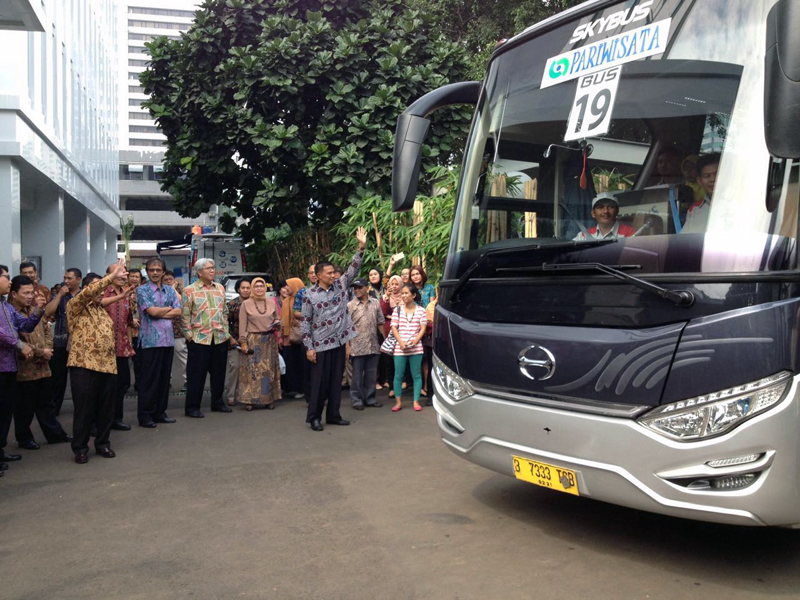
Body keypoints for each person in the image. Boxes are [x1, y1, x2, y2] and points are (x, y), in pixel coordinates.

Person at [301, 226, 368, 431]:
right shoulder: (309, 295)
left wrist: (361, 247)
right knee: (319, 383)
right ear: (319, 275)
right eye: (329, 273)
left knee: (335, 382)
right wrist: (309, 347)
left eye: (333, 272)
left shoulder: (340, 286)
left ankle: (334, 415)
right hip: (320, 345)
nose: (333, 275)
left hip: (339, 342)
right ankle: (314, 417)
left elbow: (352, 269)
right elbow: (305, 322)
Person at [67, 260, 128, 464]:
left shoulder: (101, 310)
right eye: (99, 286)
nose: (103, 290)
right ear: (87, 288)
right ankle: (80, 448)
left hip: (107, 366)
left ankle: (103, 443)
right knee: (84, 409)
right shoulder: (75, 306)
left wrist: (121, 295)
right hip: (83, 365)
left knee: (105, 409)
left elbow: (104, 300)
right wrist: (112, 275)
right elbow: (89, 294)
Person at [0, 272, 60, 472]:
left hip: (9, 367)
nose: (8, 281)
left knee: (5, 412)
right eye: (5, 277)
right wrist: (19, 345)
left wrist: (38, 310)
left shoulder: (6, 307)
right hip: (4, 365)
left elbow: (25, 325)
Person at [10, 276, 70, 449]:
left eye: (31, 292)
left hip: (43, 366)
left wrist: (48, 349)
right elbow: (16, 342)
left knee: (46, 404)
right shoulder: (11, 313)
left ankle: (55, 434)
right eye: (26, 293)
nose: (30, 296)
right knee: (24, 407)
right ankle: (24, 438)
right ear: (14, 294)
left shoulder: (36, 310)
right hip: (24, 369)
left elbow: (46, 329)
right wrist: (39, 352)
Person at [182, 258, 231, 418]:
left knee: (219, 373)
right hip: (199, 339)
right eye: (208, 268)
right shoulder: (189, 290)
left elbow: (225, 312)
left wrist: (226, 331)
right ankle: (192, 407)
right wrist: (189, 336)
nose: (212, 271)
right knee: (197, 374)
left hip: (219, 338)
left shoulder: (220, 288)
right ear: (199, 272)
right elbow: (184, 315)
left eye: (213, 267)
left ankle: (217, 403)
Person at [136, 258, 182, 428]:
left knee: (164, 379)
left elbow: (178, 311)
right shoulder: (142, 290)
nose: (155, 273)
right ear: (147, 272)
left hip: (167, 340)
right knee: (149, 380)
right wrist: (167, 310)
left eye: (158, 270)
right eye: (151, 270)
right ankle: (145, 415)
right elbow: (151, 311)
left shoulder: (170, 290)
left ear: (163, 272)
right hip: (149, 342)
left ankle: (160, 412)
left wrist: (161, 312)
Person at [102, 263, 136, 431]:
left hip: (121, 348)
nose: (124, 275)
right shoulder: (101, 294)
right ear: (108, 275)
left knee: (122, 385)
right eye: (120, 272)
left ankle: (116, 418)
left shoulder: (127, 295)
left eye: (125, 272)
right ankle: (101, 422)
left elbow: (129, 323)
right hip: (103, 351)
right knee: (104, 388)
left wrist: (129, 344)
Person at [238, 277, 282, 410]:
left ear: (265, 288)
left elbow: (277, 319)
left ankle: (267, 399)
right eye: (256, 286)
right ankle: (249, 400)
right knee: (252, 371)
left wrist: (278, 324)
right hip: (254, 341)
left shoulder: (271, 303)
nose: (259, 288)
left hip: (268, 341)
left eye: (261, 286)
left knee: (267, 372)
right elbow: (242, 325)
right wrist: (243, 343)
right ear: (252, 288)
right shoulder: (246, 304)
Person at [347, 278, 385, 410]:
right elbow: (346, 328)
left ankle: (370, 398)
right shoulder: (350, 305)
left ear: (367, 288)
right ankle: (356, 399)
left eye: (359, 287)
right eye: (355, 288)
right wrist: (347, 346)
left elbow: (380, 322)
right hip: (357, 345)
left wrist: (385, 340)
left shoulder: (375, 303)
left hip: (373, 344)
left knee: (371, 373)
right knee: (357, 374)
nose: (356, 290)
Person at [390, 283, 428, 412]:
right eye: (403, 293)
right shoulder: (397, 310)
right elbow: (394, 327)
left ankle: (416, 402)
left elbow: (423, 328)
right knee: (398, 375)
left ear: (414, 295)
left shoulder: (421, 310)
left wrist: (416, 340)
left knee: (416, 375)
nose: (404, 296)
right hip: (400, 347)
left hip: (416, 348)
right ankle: (398, 402)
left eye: (406, 293)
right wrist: (400, 342)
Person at [51, 267, 81, 416]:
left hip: (80, 343)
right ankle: (54, 410)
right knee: (58, 378)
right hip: (61, 342)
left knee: (79, 379)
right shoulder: (61, 295)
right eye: (65, 278)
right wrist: (58, 295)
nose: (66, 281)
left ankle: (81, 410)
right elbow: (48, 313)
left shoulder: (85, 295)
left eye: (69, 278)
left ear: (78, 280)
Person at [224, 277, 251, 406]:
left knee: (251, 368)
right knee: (235, 367)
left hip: (252, 340)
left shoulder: (255, 303)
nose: (245, 290)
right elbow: (224, 323)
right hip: (234, 341)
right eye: (243, 288)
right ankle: (230, 395)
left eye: (248, 288)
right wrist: (230, 338)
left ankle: (249, 394)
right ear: (238, 289)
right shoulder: (232, 305)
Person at [279, 277, 305, 399]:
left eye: (288, 286)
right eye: (284, 286)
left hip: (301, 337)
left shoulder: (302, 299)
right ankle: (292, 388)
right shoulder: (286, 301)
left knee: (301, 363)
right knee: (290, 363)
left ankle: (303, 389)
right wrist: (281, 335)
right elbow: (282, 320)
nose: (286, 289)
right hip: (288, 337)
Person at [683, 153, 719, 234]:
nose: (712, 179)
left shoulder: (741, 205)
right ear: (700, 181)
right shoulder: (694, 210)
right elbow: (684, 242)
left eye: (717, 174)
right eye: (707, 176)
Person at [379, 275, 403, 396]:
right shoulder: (385, 297)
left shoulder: (405, 296)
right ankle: (392, 387)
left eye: (396, 284)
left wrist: (392, 315)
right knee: (389, 360)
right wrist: (387, 298)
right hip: (389, 332)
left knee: (400, 359)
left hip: (403, 332)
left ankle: (401, 383)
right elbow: (382, 313)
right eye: (392, 284)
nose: (394, 286)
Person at [127, 268, 144, 391]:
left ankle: (139, 383)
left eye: (136, 277)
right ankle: (125, 383)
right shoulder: (123, 291)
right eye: (132, 276)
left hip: (140, 330)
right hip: (126, 330)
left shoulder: (143, 291)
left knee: (140, 360)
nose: (134, 278)